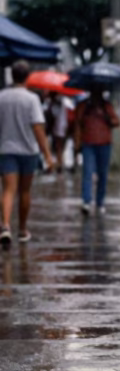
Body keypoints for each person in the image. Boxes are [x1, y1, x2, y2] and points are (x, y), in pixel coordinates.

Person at [0, 60, 56, 246]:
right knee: (24, 191)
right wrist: (47, 154)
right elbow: (38, 128)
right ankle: (22, 229)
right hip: (28, 152)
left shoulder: (2, 97)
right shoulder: (31, 99)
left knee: (8, 189)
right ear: (27, 77)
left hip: (6, 149)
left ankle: (5, 225)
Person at [73, 87, 120, 215]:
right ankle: (86, 201)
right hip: (88, 143)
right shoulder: (84, 106)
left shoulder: (106, 106)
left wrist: (106, 117)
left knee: (102, 174)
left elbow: (116, 121)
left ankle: (100, 202)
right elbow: (77, 123)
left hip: (104, 144)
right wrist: (77, 143)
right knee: (87, 173)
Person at [45, 91, 70, 173]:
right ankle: (59, 163)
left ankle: (58, 164)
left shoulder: (56, 104)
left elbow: (53, 115)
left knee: (58, 147)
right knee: (59, 148)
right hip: (62, 128)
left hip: (58, 129)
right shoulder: (63, 102)